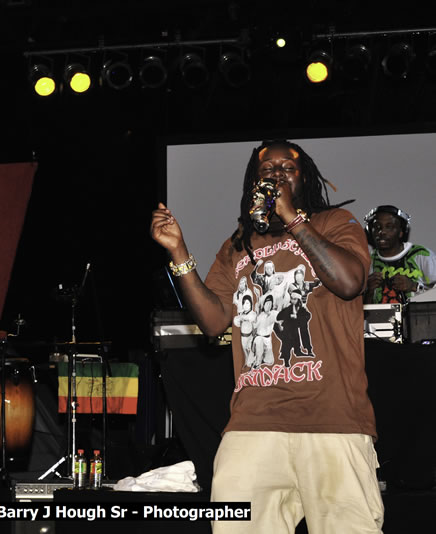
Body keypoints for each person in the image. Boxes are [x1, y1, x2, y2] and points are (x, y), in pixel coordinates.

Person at [151, 140, 382, 533]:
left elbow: (349, 282)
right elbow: (212, 322)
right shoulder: (237, 246)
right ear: (253, 183)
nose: (275, 172)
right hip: (252, 423)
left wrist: (294, 218)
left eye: (286, 167)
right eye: (266, 168)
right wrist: (178, 251)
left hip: (332, 420)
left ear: (302, 177)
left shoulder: (335, 224)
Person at [363, 204, 436, 304]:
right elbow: (360, 313)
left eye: (389, 227)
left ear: (401, 232)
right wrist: (369, 292)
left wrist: (414, 286)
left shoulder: (422, 255)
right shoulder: (367, 261)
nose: (382, 232)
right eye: (377, 227)